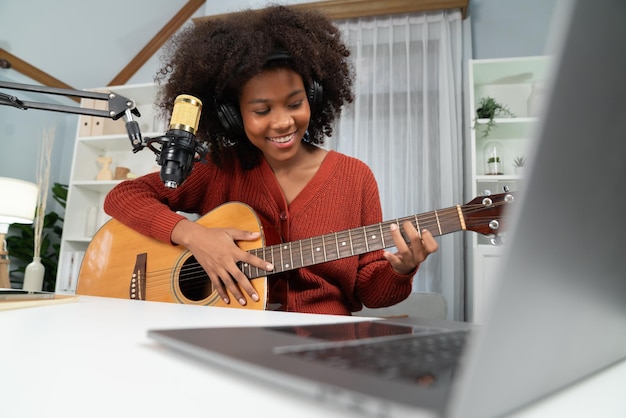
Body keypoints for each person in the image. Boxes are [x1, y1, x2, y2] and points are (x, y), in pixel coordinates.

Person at [103, 5, 438, 315]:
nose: (282, 122)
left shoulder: (356, 177)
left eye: (294, 104)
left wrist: (400, 269)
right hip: (226, 340)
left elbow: (372, 294)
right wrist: (194, 236)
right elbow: (123, 197)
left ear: (314, 99)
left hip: (325, 347)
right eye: (262, 110)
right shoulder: (218, 169)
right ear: (233, 117)